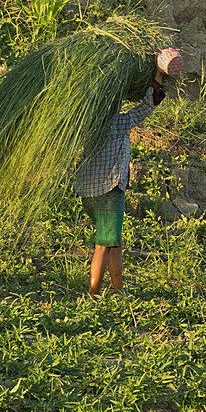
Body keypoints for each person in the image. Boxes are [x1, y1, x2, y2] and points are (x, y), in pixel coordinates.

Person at [74, 64, 169, 297]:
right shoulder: (118, 122)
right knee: (103, 245)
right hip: (109, 191)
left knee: (114, 243)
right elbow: (146, 107)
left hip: (89, 191)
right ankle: (92, 294)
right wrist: (158, 75)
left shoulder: (86, 125)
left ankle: (120, 292)